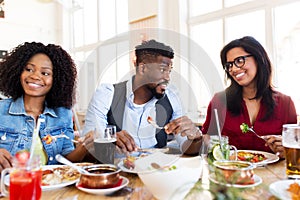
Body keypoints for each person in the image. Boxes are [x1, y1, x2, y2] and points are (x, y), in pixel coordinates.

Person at [83, 39, 202, 156]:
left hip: (156, 170)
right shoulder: (106, 95)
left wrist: (195, 138)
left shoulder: (172, 97)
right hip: (118, 171)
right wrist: (110, 139)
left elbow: (187, 147)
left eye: (169, 71)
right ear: (142, 68)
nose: (167, 78)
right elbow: (87, 148)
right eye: (162, 70)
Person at [0, 42, 93, 172]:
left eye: (45, 73)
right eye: (29, 69)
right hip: (10, 187)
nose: (35, 76)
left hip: (52, 186)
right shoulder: (1, 110)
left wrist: (84, 147)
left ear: (57, 80)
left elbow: (67, 159)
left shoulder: (63, 114)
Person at [201, 36, 297, 158]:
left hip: (273, 175)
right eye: (229, 65)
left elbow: (294, 149)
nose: (234, 69)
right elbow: (206, 141)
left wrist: (286, 149)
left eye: (239, 61)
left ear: (258, 59)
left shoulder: (285, 103)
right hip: (231, 174)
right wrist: (196, 138)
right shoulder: (219, 101)